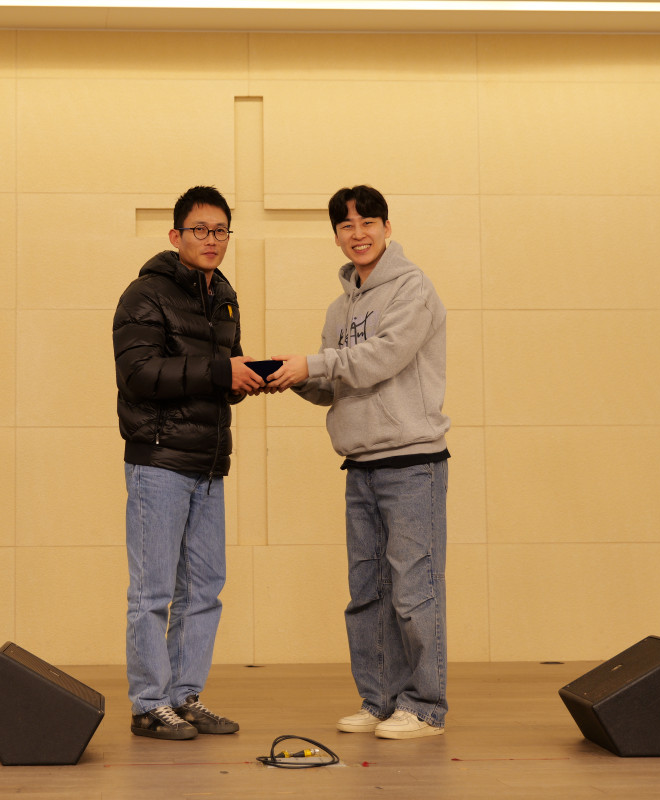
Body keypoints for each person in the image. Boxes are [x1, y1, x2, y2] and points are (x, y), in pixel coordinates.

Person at [267, 184, 450, 740]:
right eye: (346, 225)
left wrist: (314, 363)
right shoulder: (339, 308)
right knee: (367, 592)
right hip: (360, 464)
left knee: (414, 590)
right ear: (336, 237)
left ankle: (425, 707)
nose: (358, 233)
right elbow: (334, 385)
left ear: (387, 228)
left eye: (368, 222)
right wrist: (289, 377)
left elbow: (382, 357)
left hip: (412, 462)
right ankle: (380, 699)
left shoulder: (413, 288)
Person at [112, 186, 264, 740]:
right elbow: (139, 375)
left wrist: (244, 378)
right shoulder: (144, 295)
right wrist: (221, 372)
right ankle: (149, 704)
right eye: (200, 229)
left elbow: (218, 374)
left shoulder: (224, 295)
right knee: (152, 593)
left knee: (204, 589)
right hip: (158, 461)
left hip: (208, 463)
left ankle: (183, 696)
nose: (211, 239)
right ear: (176, 236)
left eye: (220, 230)